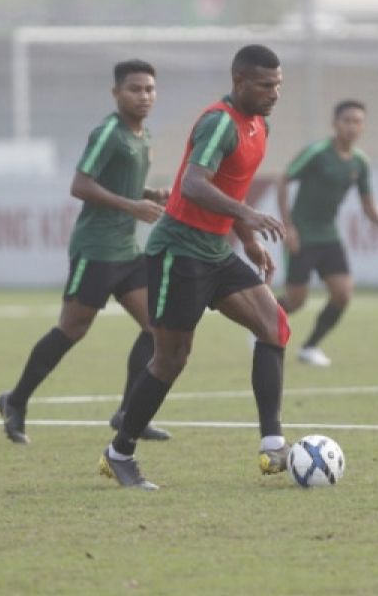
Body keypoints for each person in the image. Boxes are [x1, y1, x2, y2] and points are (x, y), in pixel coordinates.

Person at [99, 44, 288, 490]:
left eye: (278, 85)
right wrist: (247, 217)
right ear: (239, 81)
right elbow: (194, 183)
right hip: (179, 251)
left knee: (273, 326)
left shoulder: (260, 124)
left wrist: (247, 241)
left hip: (216, 251)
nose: (274, 93)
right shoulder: (218, 122)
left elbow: (230, 186)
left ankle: (272, 444)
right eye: (265, 85)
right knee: (170, 359)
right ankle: (119, 453)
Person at [0, 59, 172, 444]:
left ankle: (128, 416)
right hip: (96, 249)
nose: (144, 96)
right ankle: (16, 400)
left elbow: (118, 182)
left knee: (157, 329)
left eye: (150, 89)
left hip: (126, 249)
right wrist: (133, 207)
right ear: (116, 93)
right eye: (135, 89)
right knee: (72, 329)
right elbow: (80, 185)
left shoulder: (143, 135)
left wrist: (149, 194)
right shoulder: (108, 133)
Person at [276, 99, 378, 367]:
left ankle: (309, 347)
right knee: (296, 300)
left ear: (363, 126)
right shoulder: (317, 153)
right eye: (347, 121)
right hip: (302, 235)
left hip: (329, 236)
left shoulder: (360, 162)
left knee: (343, 293)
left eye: (358, 121)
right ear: (335, 124)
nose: (352, 127)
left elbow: (369, 205)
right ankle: (260, 325)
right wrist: (288, 226)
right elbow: (284, 179)